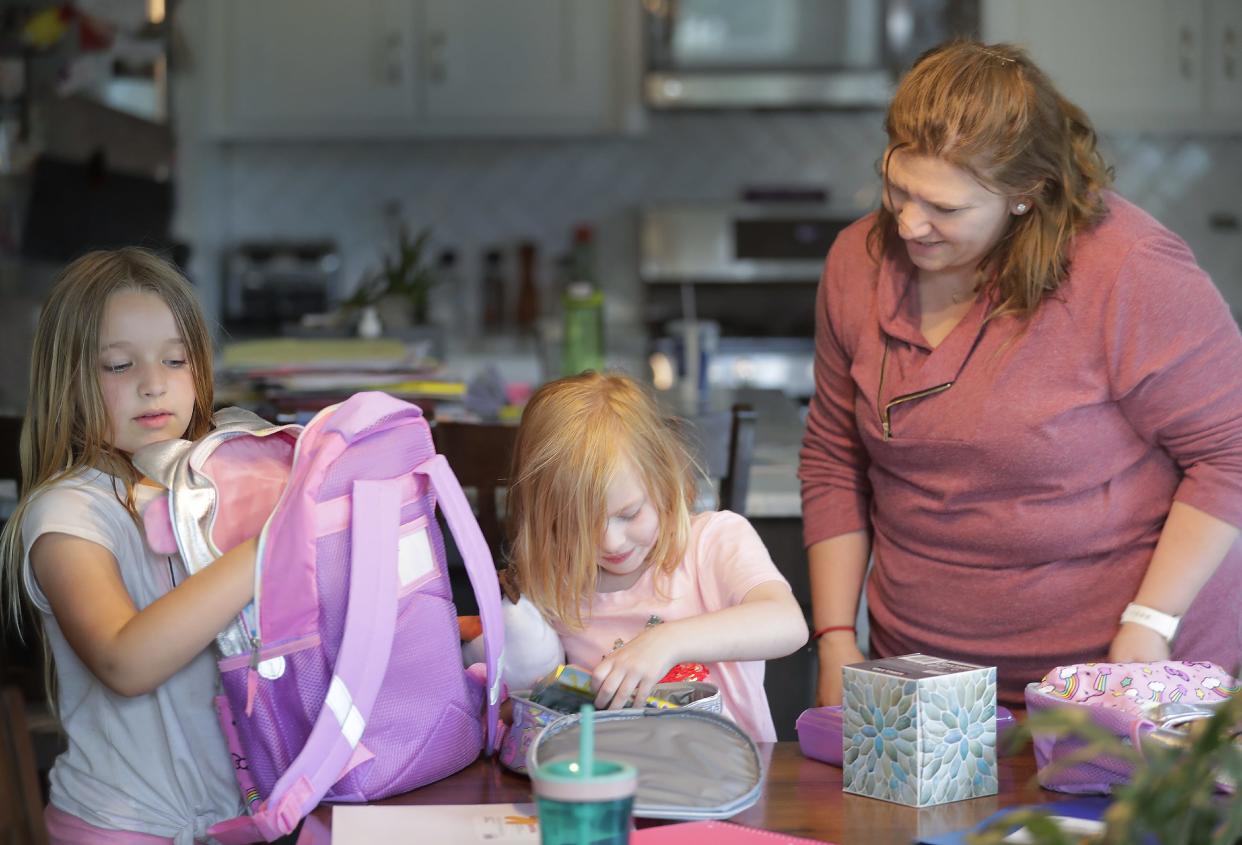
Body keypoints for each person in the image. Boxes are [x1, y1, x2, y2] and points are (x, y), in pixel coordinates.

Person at [800, 40, 1242, 708]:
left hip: (1115, 687)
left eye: (945, 209)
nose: (910, 223)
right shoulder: (855, 263)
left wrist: (1150, 622)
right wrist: (836, 638)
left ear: (1025, 196)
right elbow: (834, 456)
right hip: (926, 690)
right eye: (897, 189)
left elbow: (1230, 454)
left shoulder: (1129, 270)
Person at [0, 249, 258, 843]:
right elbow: (124, 660)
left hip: (234, 822)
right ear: (67, 381)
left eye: (175, 359)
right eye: (118, 365)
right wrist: (267, 550)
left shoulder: (212, 489)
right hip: (123, 829)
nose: (152, 383)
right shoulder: (67, 513)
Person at [507, 371, 808, 741]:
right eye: (578, 525)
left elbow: (787, 624)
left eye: (629, 514)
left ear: (662, 480)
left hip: (729, 781)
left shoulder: (712, 542)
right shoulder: (556, 581)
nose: (610, 543)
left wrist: (665, 642)